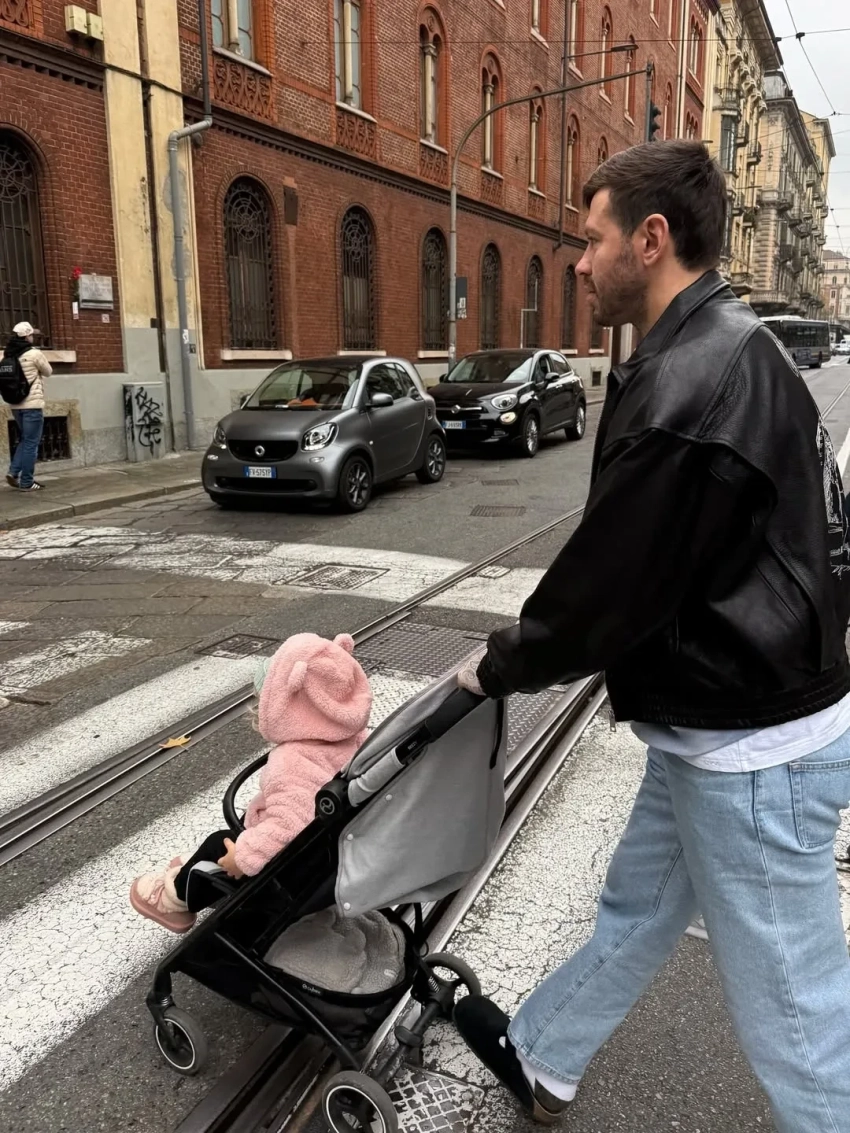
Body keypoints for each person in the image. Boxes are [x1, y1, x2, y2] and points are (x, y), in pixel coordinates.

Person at [454, 140, 850, 1133]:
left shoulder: (693, 381)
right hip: (719, 717)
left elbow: (604, 590)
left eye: (591, 239)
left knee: (799, 1016)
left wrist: (494, 668)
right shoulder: (728, 346)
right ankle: (545, 1056)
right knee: (638, 909)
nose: (579, 262)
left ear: (651, 238)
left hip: (753, 747)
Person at [130, 632, 372, 933]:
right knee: (240, 831)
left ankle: (174, 900)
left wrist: (245, 857)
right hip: (333, 855)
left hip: (292, 871)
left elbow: (291, 824)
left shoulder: (292, 761)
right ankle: (194, 870)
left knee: (221, 845)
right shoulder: (357, 739)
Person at [4, 320, 51, 492]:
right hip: (32, 404)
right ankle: (27, 481)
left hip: (16, 405)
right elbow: (48, 371)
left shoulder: (8, 355)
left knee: (25, 439)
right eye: (31, 335)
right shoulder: (34, 353)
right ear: (27, 336)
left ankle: (13, 472)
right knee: (31, 443)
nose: (32, 337)